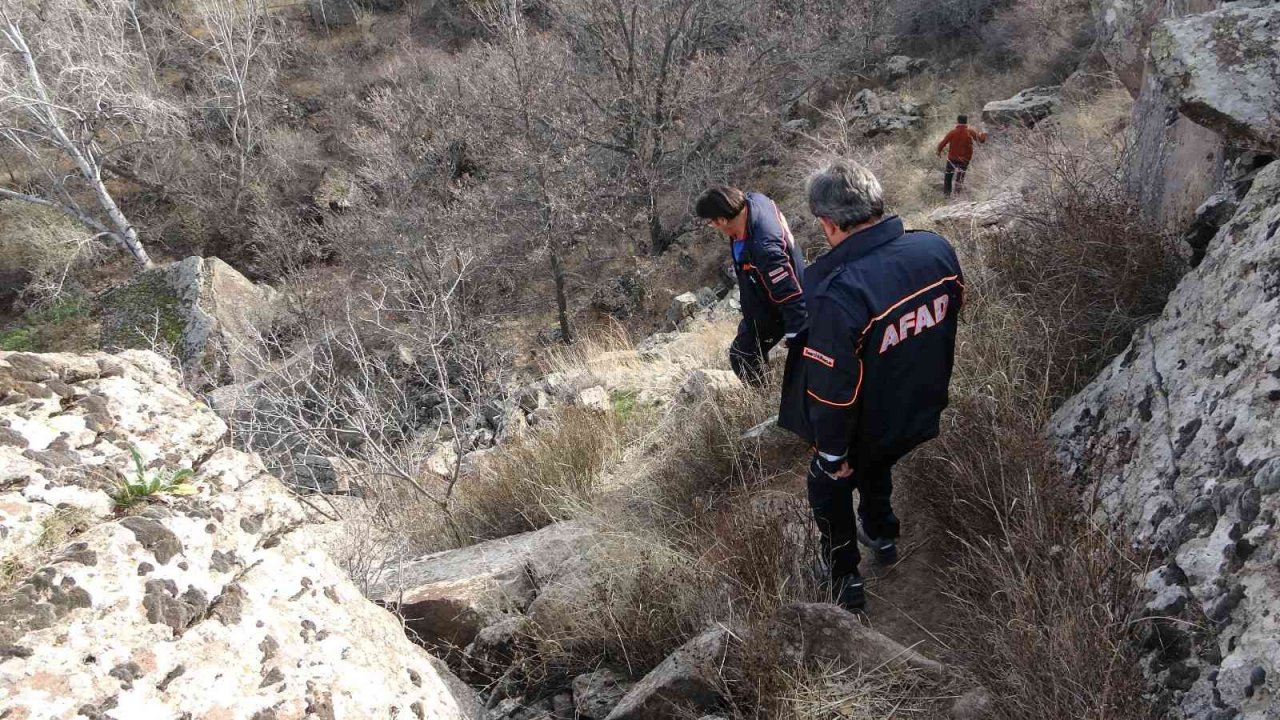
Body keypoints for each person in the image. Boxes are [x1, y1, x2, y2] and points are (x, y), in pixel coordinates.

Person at [778, 160, 964, 612]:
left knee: (829, 483)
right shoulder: (935, 250)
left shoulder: (836, 290)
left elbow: (831, 390)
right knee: (877, 460)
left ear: (826, 223)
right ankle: (881, 530)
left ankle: (843, 575)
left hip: (866, 419)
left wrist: (833, 454)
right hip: (916, 407)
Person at [695, 186, 808, 386]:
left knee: (742, 355)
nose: (714, 226)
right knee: (746, 348)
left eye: (712, 222)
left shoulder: (764, 249)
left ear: (722, 220)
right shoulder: (754, 201)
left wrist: (797, 339)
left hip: (772, 309)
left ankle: (765, 397)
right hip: (759, 294)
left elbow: (790, 295)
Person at [935, 115, 987, 196]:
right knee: (960, 178)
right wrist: (983, 132)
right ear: (966, 122)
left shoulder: (952, 132)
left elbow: (942, 144)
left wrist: (938, 152)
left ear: (957, 121)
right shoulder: (970, 132)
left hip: (952, 159)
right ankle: (957, 195)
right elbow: (981, 140)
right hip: (964, 160)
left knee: (948, 178)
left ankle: (946, 196)